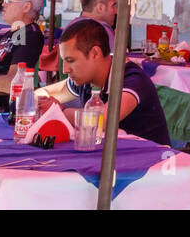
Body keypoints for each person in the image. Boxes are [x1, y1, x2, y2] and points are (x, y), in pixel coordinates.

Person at [36, 18, 170, 145]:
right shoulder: (85, 78)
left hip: (151, 161)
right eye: (63, 60)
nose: (65, 70)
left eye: (71, 60)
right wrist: (36, 101)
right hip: (110, 154)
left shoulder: (132, 79)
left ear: (95, 53)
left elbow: (103, 120)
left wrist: (60, 111)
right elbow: (45, 93)